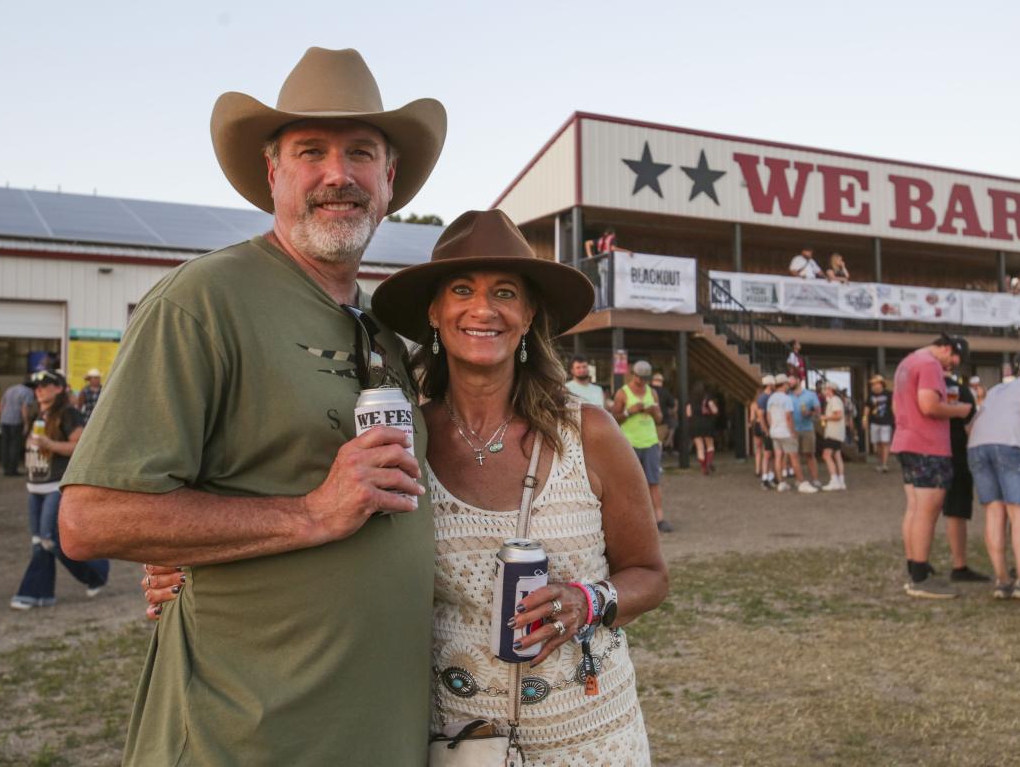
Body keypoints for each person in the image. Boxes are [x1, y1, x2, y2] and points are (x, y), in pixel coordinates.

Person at [152, 209, 668, 762]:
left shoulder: (588, 432)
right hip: (456, 742)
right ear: (435, 312)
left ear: (528, 314)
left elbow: (649, 574)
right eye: (462, 290)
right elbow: (327, 528)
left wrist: (587, 602)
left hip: (590, 736)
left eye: (505, 293)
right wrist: (194, 559)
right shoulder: (402, 437)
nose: (483, 308)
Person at [58, 47, 449, 765]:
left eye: (361, 153)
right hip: (242, 737)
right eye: (311, 151)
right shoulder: (203, 301)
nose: (339, 174)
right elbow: (88, 517)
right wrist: (310, 513)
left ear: (389, 180)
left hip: (371, 734)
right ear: (274, 174)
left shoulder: (382, 334)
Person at [10, 370, 109, 609]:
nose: (39, 390)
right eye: (37, 386)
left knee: (49, 539)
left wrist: (50, 444)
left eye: (45, 385)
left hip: (56, 485)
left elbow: (81, 446)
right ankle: (40, 593)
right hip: (36, 485)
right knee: (39, 541)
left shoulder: (68, 413)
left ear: (59, 388)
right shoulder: (39, 414)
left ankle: (95, 571)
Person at [892, 334, 974, 599]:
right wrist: (961, 410)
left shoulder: (908, 362)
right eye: (952, 360)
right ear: (946, 348)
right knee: (927, 511)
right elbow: (929, 405)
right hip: (927, 445)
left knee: (915, 508)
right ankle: (920, 578)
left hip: (906, 440)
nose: (950, 368)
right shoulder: (929, 365)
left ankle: (915, 563)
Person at [967, 355, 1020, 603]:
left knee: (994, 512)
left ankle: (1002, 580)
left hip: (978, 445)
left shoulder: (996, 389)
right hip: (1012, 445)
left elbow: (973, 424)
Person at [942, 371, 990, 584]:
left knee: (920, 509)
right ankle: (959, 564)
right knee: (956, 510)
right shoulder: (959, 391)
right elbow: (971, 427)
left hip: (923, 452)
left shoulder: (918, 388)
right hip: (956, 453)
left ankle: (917, 560)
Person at [612, 360, 670, 532]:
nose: (643, 382)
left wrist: (654, 412)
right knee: (630, 483)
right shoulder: (623, 393)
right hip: (630, 444)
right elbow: (614, 418)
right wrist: (630, 411)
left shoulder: (652, 392)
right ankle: (630, 520)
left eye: (646, 379)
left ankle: (660, 519)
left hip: (650, 441)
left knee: (654, 481)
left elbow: (659, 419)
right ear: (633, 375)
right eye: (640, 379)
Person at [767, 374, 808, 492]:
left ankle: (781, 483)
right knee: (794, 457)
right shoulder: (786, 399)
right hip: (785, 432)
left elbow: (768, 416)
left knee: (778, 457)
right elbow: (788, 417)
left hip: (774, 432)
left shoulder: (771, 398)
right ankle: (801, 482)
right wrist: (793, 431)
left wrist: (772, 427)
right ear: (784, 384)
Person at [789, 374, 821, 490]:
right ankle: (799, 480)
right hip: (792, 430)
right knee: (794, 456)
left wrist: (810, 413)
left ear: (798, 380)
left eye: (792, 380)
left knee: (810, 454)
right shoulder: (787, 395)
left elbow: (818, 412)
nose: (790, 382)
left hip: (808, 429)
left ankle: (815, 479)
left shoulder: (811, 394)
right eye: (788, 381)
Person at [0, 380, 35, 477]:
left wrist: (1, 417)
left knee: (4, 445)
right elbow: (24, 408)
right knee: (15, 445)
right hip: (16, 421)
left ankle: (6, 469)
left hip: (4, 420)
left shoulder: (10, 389)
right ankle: (13, 470)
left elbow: (1, 405)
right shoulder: (28, 391)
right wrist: (26, 423)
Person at [686, 381, 719, 476]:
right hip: (707, 424)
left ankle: (704, 467)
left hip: (694, 425)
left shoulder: (690, 400)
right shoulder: (707, 398)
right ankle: (709, 462)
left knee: (700, 447)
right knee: (710, 445)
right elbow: (714, 410)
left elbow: (688, 413)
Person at [864, 374, 894, 472]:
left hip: (886, 422)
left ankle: (884, 464)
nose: (873, 386)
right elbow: (867, 407)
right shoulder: (871, 395)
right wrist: (864, 418)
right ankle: (881, 463)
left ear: (881, 384)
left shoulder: (889, 394)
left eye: (875, 384)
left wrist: (897, 418)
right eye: (872, 384)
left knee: (885, 443)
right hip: (874, 422)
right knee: (877, 444)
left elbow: (893, 407)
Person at [820, 382, 846, 491]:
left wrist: (825, 417)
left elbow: (838, 415)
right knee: (837, 455)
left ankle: (834, 480)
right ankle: (841, 481)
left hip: (833, 432)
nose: (823, 391)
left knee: (826, 455)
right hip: (838, 433)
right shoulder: (836, 400)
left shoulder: (834, 400)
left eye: (825, 389)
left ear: (830, 389)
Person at [755, 375, 776, 487]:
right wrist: (766, 430)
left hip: (771, 428)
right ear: (769, 384)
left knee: (771, 453)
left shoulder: (769, 396)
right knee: (768, 453)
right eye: (773, 383)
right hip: (768, 429)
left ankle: (770, 476)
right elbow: (760, 415)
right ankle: (765, 478)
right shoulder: (763, 398)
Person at [650, 372, 678, 453]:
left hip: (647, 420)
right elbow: (672, 404)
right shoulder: (665, 392)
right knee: (658, 442)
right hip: (662, 421)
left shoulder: (646, 390)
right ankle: (656, 462)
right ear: (661, 382)